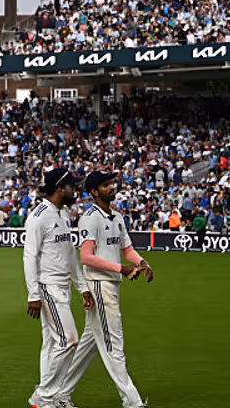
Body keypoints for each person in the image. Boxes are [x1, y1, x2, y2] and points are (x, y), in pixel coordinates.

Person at [63, 171, 153, 408]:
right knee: (114, 343)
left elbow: (127, 250)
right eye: (105, 185)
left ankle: (59, 394)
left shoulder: (117, 216)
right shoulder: (90, 218)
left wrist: (142, 263)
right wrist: (120, 269)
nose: (111, 187)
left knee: (91, 342)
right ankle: (132, 401)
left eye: (111, 183)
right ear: (94, 192)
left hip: (110, 284)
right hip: (99, 285)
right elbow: (86, 257)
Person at [23, 167, 92, 408]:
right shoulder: (39, 217)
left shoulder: (63, 213)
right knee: (69, 339)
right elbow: (29, 257)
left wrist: (81, 287)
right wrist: (33, 294)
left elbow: (70, 254)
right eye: (72, 186)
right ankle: (44, 396)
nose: (75, 190)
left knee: (52, 344)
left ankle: (55, 398)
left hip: (62, 287)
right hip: (48, 287)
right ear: (60, 188)